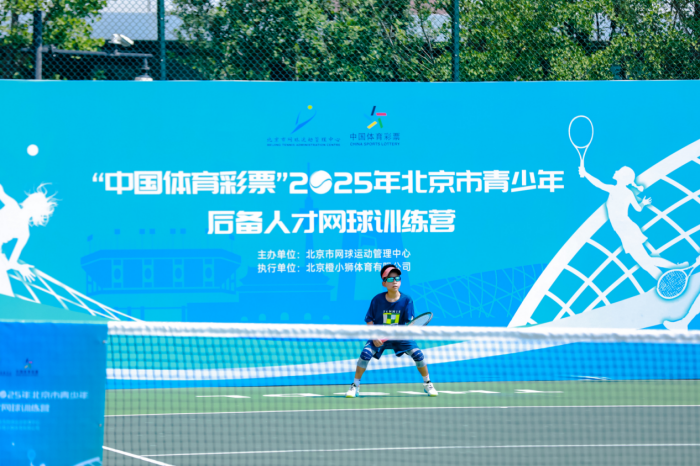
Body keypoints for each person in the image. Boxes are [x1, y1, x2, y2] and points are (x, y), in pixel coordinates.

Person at [345, 264, 437, 398]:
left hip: (400, 336)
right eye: (390, 279)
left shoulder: (407, 300)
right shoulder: (377, 300)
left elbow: (409, 324)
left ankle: (427, 383)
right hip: (380, 335)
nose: (394, 281)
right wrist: (374, 336)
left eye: (397, 278)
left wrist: (404, 332)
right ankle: (355, 385)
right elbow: (369, 320)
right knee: (365, 354)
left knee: (418, 355)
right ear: (384, 283)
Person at [579, 165, 685, 280]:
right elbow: (638, 209)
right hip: (626, 229)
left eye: (619, 171)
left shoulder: (615, 189)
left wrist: (585, 173)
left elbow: (598, 184)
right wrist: (643, 203)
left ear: (622, 177)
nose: (616, 171)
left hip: (626, 230)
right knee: (645, 262)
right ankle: (670, 276)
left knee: (645, 261)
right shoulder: (628, 192)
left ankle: (676, 269)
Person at [0, 184, 57, 296]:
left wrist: (20, 267)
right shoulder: (24, 231)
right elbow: (11, 263)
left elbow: (11, 263)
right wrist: (19, 267)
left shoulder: (13, 206)